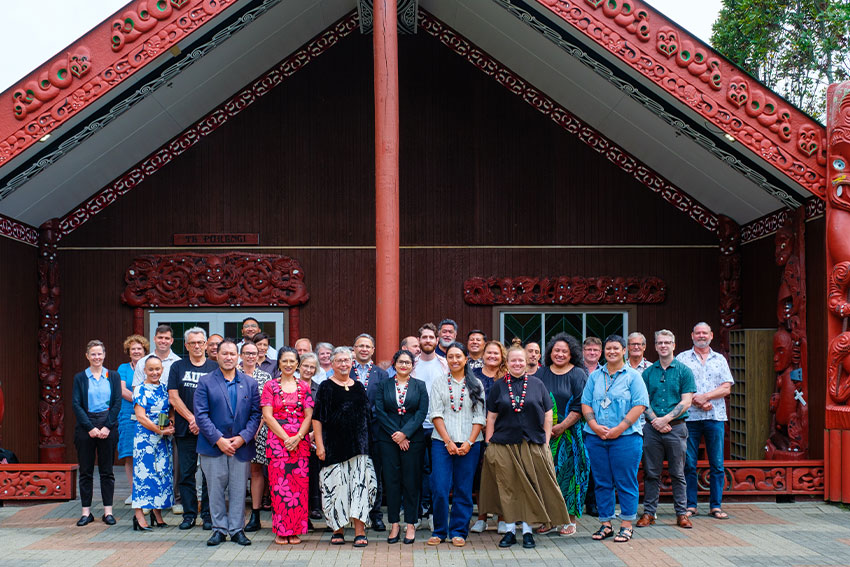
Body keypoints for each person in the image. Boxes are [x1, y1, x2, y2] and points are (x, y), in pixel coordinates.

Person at [480, 344, 569, 549]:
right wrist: (488, 444)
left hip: (532, 444)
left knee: (531, 487)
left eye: (521, 360)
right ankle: (510, 530)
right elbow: (491, 417)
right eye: (513, 360)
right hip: (503, 446)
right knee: (508, 488)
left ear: (528, 361)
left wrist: (546, 442)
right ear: (507, 363)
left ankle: (528, 531)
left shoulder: (538, 384)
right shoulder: (499, 386)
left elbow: (548, 414)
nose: (518, 363)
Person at [581, 335, 649, 543]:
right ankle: (605, 524)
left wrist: (620, 428)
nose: (611, 351)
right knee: (602, 482)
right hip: (596, 437)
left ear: (624, 350)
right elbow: (585, 403)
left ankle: (627, 524)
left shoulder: (633, 376)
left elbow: (640, 405)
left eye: (615, 348)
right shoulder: (594, 377)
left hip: (626, 437)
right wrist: (593, 425)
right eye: (608, 348)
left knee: (625, 481)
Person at [195, 339, 262, 546]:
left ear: (239, 356)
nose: (228, 357)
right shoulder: (205, 381)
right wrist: (219, 440)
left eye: (232, 353)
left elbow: (256, 414)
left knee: (238, 489)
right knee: (215, 490)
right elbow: (201, 415)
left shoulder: (250, 383)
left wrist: (243, 438)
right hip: (213, 446)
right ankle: (219, 529)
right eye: (224, 353)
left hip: (240, 446)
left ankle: (236, 529)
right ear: (217, 355)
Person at [313, 347, 377, 547]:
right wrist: (320, 446)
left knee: (360, 489)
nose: (343, 364)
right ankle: (337, 530)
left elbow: (367, 416)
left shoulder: (358, 386)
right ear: (332, 364)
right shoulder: (326, 387)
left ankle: (359, 531)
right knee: (336, 490)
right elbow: (317, 419)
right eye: (339, 360)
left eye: (346, 360)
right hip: (334, 447)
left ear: (352, 363)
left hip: (359, 448)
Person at [637, 330, 696, 529]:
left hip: (676, 428)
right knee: (651, 472)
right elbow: (643, 401)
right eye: (660, 343)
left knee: (678, 472)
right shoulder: (648, 373)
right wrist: (655, 421)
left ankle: (681, 513)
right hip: (652, 429)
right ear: (655, 346)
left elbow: (687, 401)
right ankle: (649, 513)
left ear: (674, 345)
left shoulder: (684, 371)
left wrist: (666, 419)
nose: (663, 346)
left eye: (667, 342)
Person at [427, 343, 485, 547]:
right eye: (450, 356)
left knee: (463, 488)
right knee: (441, 488)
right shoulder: (439, 383)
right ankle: (440, 530)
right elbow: (435, 413)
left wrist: (469, 442)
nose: (454, 360)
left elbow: (480, 416)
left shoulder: (476, 383)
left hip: (471, 443)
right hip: (441, 443)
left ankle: (459, 531)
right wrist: (448, 441)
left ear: (465, 359)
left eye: (458, 356)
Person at [676, 322, 734, 520]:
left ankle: (715, 505)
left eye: (705, 333)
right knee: (689, 463)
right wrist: (696, 400)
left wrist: (705, 397)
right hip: (689, 417)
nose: (701, 336)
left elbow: (726, 387)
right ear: (692, 335)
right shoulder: (682, 358)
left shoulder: (720, 359)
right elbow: (677, 386)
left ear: (711, 335)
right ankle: (691, 505)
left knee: (717, 463)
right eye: (698, 333)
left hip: (714, 417)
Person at [536, 333, 589, 536]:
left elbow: (579, 405)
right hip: (543, 435)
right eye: (556, 350)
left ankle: (569, 520)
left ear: (571, 354)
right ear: (550, 352)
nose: (559, 354)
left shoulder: (578, 374)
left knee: (569, 476)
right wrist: (546, 429)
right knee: (547, 477)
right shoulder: (540, 374)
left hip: (569, 436)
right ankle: (549, 520)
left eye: (564, 351)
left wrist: (561, 427)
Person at [374, 350, 428, 545]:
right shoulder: (383, 385)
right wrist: (397, 435)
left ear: (412, 365)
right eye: (400, 362)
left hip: (413, 440)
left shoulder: (420, 386)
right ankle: (395, 524)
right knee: (392, 481)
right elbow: (380, 411)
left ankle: (411, 524)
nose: (404, 365)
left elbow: (422, 412)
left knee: (411, 481)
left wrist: (405, 433)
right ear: (394, 364)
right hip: (388, 440)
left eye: (407, 362)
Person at [261, 346, 314, 545]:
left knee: (299, 489)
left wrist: (299, 436)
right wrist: (286, 438)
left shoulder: (304, 387)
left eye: (293, 361)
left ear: (298, 364)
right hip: (278, 442)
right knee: (279, 488)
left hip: (300, 443)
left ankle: (296, 530)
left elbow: (309, 415)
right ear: (279, 363)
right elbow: (267, 415)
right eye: (285, 361)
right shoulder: (270, 386)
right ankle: (281, 530)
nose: (289, 364)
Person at [168, 327, 217, 531]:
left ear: (205, 345)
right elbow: (173, 397)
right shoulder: (177, 367)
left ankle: (207, 515)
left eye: (200, 342)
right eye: (192, 343)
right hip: (185, 429)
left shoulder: (215, 367)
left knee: (208, 475)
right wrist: (191, 419)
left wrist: (202, 421)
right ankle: (189, 515)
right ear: (186, 345)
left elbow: (218, 397)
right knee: (185, 474)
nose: (197, 346)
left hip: (209, 431)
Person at [72, 339, 122, 527]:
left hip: (107, 425)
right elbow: (76, 404)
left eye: (99, 353)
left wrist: (107, 427)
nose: (97, 357)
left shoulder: (113, 376)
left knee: (106, 471)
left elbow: (117, 403)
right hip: (86, 428)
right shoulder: (80, 378)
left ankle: (108, 511)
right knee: (85, 471)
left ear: (104, 355)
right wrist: (90, 428)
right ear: (87, 356)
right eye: (93, 354)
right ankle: (86, 512)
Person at [132, 356, 176, 531]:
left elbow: (171, 409)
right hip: (145, 439)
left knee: (161, 474)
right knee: (144, 476)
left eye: (157, 369)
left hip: (163, 439)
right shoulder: (140, 389)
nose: (155, 372)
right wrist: (159, 431)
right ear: (145, 370)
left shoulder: (165, 389)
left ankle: (157, 512)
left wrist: (171, 422)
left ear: (162, 370)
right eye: (151, 369)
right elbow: (141, 417)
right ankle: (139, 514)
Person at [469, 339, 508, 534]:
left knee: (501, 476)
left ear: (502, 357)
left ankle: (502, 518)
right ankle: (482, 517)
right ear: (483, 355)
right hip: (475, 432)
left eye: (496, 354)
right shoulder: (472, 375)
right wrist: (481, 425)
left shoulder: (506, 377)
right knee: (480, 477)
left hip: (502, 433)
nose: (492, 356)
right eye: (489, 353)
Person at [411, 323, 448, 525]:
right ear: (419, 340)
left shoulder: (445, 365)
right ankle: (416, 513)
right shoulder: (411, 364)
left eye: (431, 337)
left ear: (437, 340)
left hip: (438, 427)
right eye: (424, 337)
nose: (427, 341)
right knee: (416, 471)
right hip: (416, 426)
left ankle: (435, 514)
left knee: (437, 472)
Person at [240, 340, 273, 532]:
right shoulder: (234, 373)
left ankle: (256, 514)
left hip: (259, 432)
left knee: (256, 472)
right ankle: (237, 515)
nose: (251, 356)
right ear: (241, 355)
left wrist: (253, 430)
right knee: (236, 473)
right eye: (247, 353)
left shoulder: (266, 377)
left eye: (254, 353)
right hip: (234, 433)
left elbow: (265, 407)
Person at [117, 334, 149, 505]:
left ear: (145, 351)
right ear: (128, 352)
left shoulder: (150, 366)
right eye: (133, 349)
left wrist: (143, 405)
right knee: (130, 454)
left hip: (148, 415)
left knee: (146, 453)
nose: (136, 351)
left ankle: (146, 490)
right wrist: (140, 401)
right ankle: (134, 492)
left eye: (139, 349)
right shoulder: (123, 368)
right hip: (128, 415)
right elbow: (122, 390)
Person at [298, 352, 324, 521]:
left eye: (312, 367)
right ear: (299, 366)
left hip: (314, 438)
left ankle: (313, 508)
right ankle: (300, 513)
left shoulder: (319, 388)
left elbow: (322, 413)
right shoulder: (291, 386)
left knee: (314, 475)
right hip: (294, 436)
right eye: (305, 366)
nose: (308, 369)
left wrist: (314, 434)